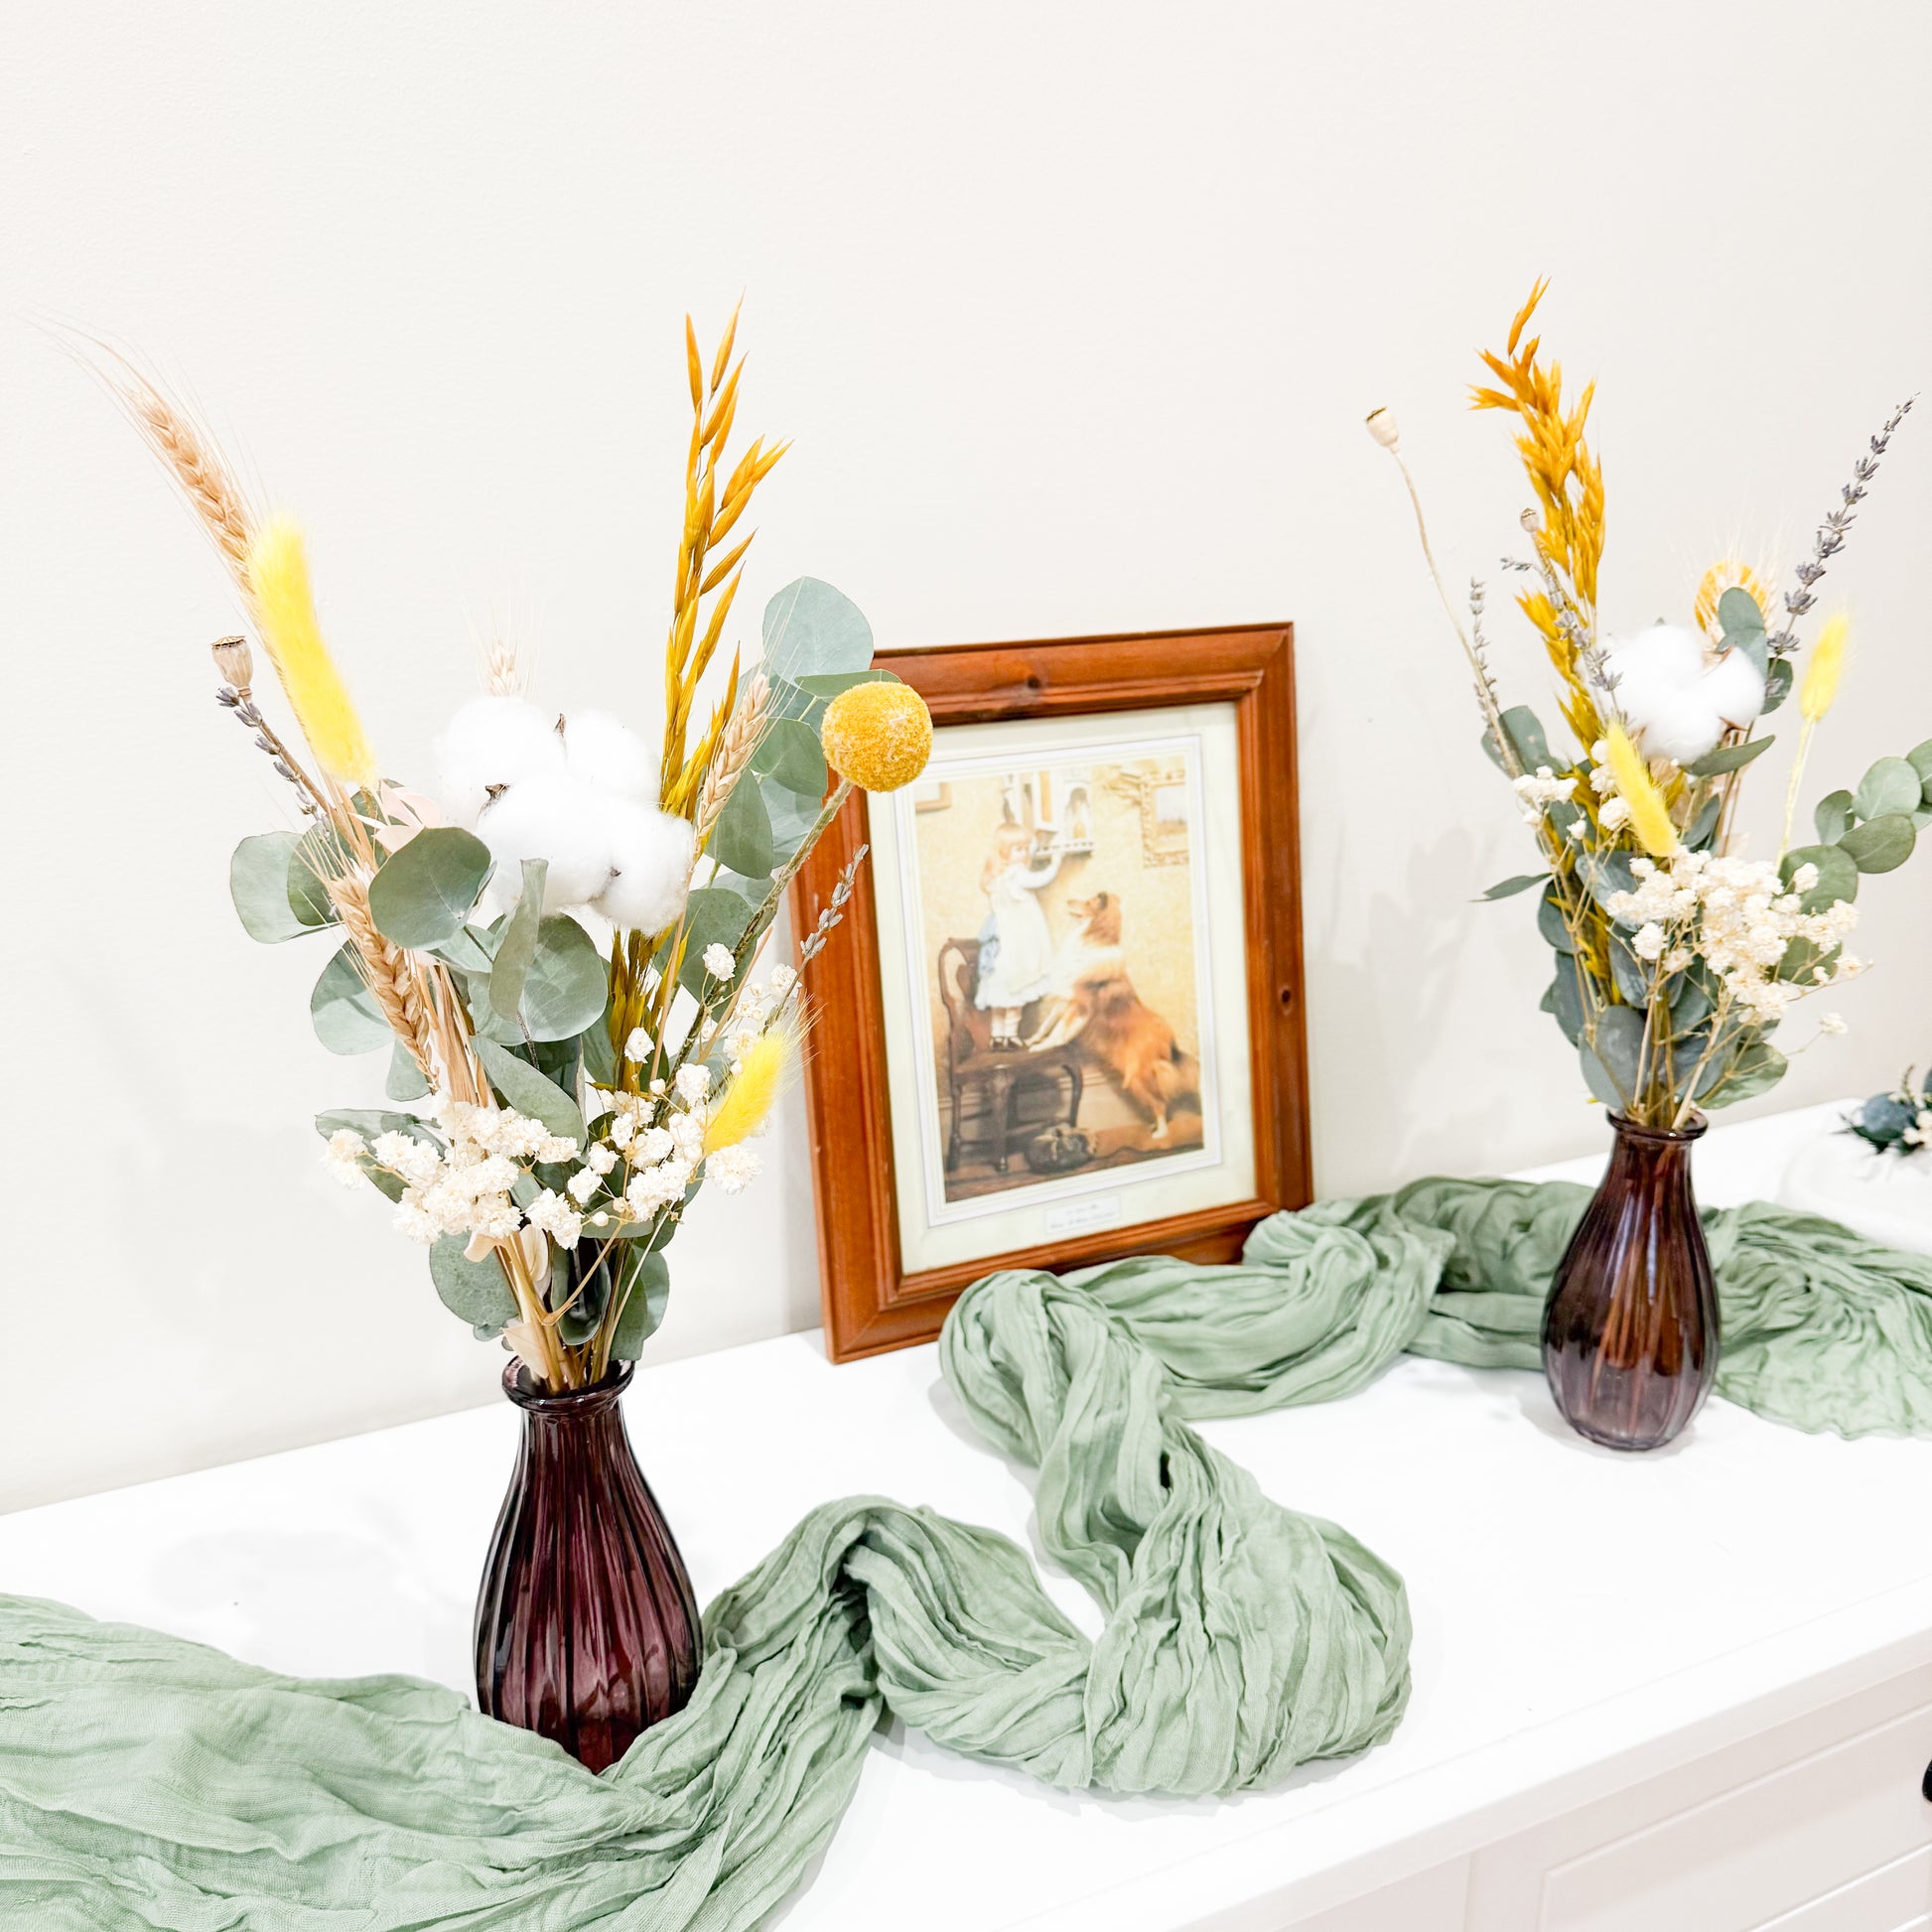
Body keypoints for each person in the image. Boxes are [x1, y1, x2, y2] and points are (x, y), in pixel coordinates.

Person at [974, 822, 1061, 1049]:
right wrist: (1056, 861)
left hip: (1004, 942)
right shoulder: (1017, 875)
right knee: (1015, 990)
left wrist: (1033, 839)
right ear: (1005, 852)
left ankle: (998, 1036)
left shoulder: (997, 878)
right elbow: (1041, 878)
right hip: (1019, 944)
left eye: (1025, 848)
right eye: (1018, 849)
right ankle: (1009, 1034)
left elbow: (1022, 855)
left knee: (1001, 993)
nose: (1023, 854)